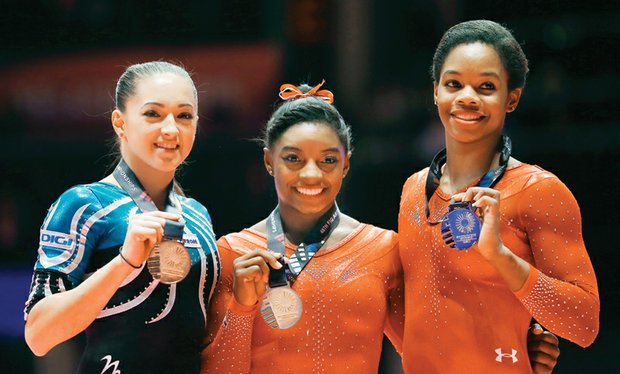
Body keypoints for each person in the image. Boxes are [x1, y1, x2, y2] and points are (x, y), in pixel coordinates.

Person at [201, 81, 560, 373]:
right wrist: (242, 308)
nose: (311, 174)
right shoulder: (233, 253)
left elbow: (434, 355)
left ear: (346, 164)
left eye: (328, 160)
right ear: (268, 160)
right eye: (293, 159)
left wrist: (514, 351)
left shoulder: (383, 249)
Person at [398, 20, 599, 373]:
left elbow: (583, 325)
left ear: (512, 98)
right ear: (435, 91)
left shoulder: (538, 190)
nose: (467, 97)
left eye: (486, 86)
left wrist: (500, 256)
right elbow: (418, 314)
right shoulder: (415, 189)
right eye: (454, 84)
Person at [24, 61, 220, 373]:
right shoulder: (84, 205)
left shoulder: (197, 214)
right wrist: (123, 262)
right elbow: (38, 335)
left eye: (184, 115)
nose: (170, 129)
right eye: (153, 114)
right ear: (120, 122)